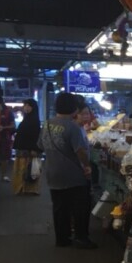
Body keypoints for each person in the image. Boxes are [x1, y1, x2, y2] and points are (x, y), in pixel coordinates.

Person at [39, 92, 96, 249]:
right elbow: (80, 151)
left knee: (59, 208)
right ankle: (81, 238)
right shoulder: (72, 126)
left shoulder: (47, 124)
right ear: (73, 108)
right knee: (80, 207)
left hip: (52, 172)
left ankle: (62, 239)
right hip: (73, 175)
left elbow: (40, 145)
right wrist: (87, 166)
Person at [12, 99, 42, 196]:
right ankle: (22, 188)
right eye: (25, 105)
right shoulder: (27, 119)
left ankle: (28, 188)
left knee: (29, 169)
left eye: (29, 106)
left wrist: (35, 149)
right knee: (23, 169)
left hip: (30, 150)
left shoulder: (34, 121)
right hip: (22, 149)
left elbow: (36, 136)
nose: (26, 107)